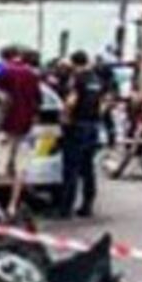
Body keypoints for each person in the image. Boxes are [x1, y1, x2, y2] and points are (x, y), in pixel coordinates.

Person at [0, 46, 42, 217]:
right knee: (20, 170)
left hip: (4, 127)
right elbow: (38, 100)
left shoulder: (3, 71)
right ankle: (12, 205)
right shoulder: (32, 75)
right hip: (25, 129)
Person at [59, 50, 106, 219]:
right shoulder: (96, 80)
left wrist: (64, 118)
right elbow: (102, 104)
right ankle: (87, 205)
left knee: (71, 169)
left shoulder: (76, 79)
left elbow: (72, 100)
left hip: (77, 126)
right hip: (92, 126)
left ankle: (65, 209)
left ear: (74, 63)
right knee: (88, 168)